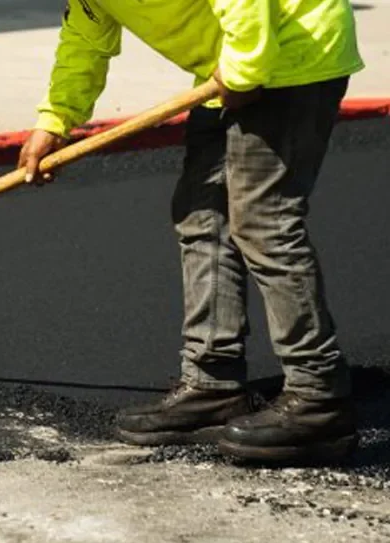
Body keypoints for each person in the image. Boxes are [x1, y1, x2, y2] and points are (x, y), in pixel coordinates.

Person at [19, 0, 365, 464]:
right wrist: (56, 119)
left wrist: (242, 71)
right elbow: (84, 39)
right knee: (201, 212)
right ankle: (212, 383)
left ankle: (319, 397)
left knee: (265, 221)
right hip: (236, 60)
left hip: (294, 50)